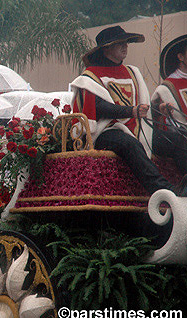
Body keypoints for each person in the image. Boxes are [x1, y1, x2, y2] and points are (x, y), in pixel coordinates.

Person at [70, 25, 180, 195]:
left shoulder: (132, 72)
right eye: (120, 43)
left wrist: (159, 108)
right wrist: (132, 111)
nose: (125, 46)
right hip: (105, 131)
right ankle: (164, 191)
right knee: (130, 144)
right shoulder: (89, 77)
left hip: (137, 128)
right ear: (106, 48)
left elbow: (141, 105)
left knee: (176, 140)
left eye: (126, 43)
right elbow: (98, 108)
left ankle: (183, 186)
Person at [151, 34, 187, 175]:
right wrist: (161, 110)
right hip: (178, 138)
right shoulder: (165, 88)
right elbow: (155, 120)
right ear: (180, 57)